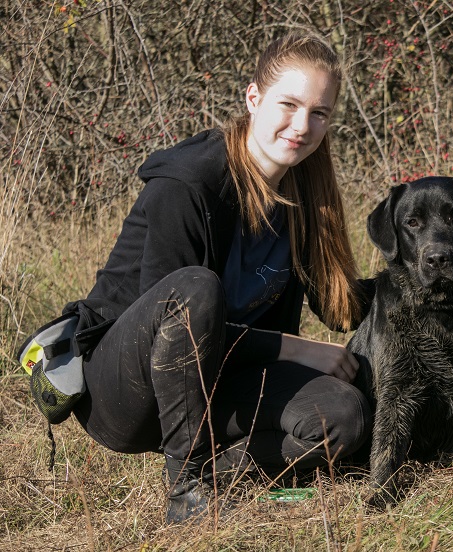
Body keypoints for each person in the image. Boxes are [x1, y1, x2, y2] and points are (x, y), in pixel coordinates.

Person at [63, 33, 374, 524]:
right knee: (196, 288)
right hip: (127, 392)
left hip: (221, 382)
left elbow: (341, 310)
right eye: (288, 105)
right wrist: (293, 347)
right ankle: (187, 492)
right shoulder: (188, 183)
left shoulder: (305, 193)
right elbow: (173, 319)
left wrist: (430, 283)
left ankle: (221, 471)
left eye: (320, 113)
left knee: (343, 417)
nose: (302, 126)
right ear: (253, 98)